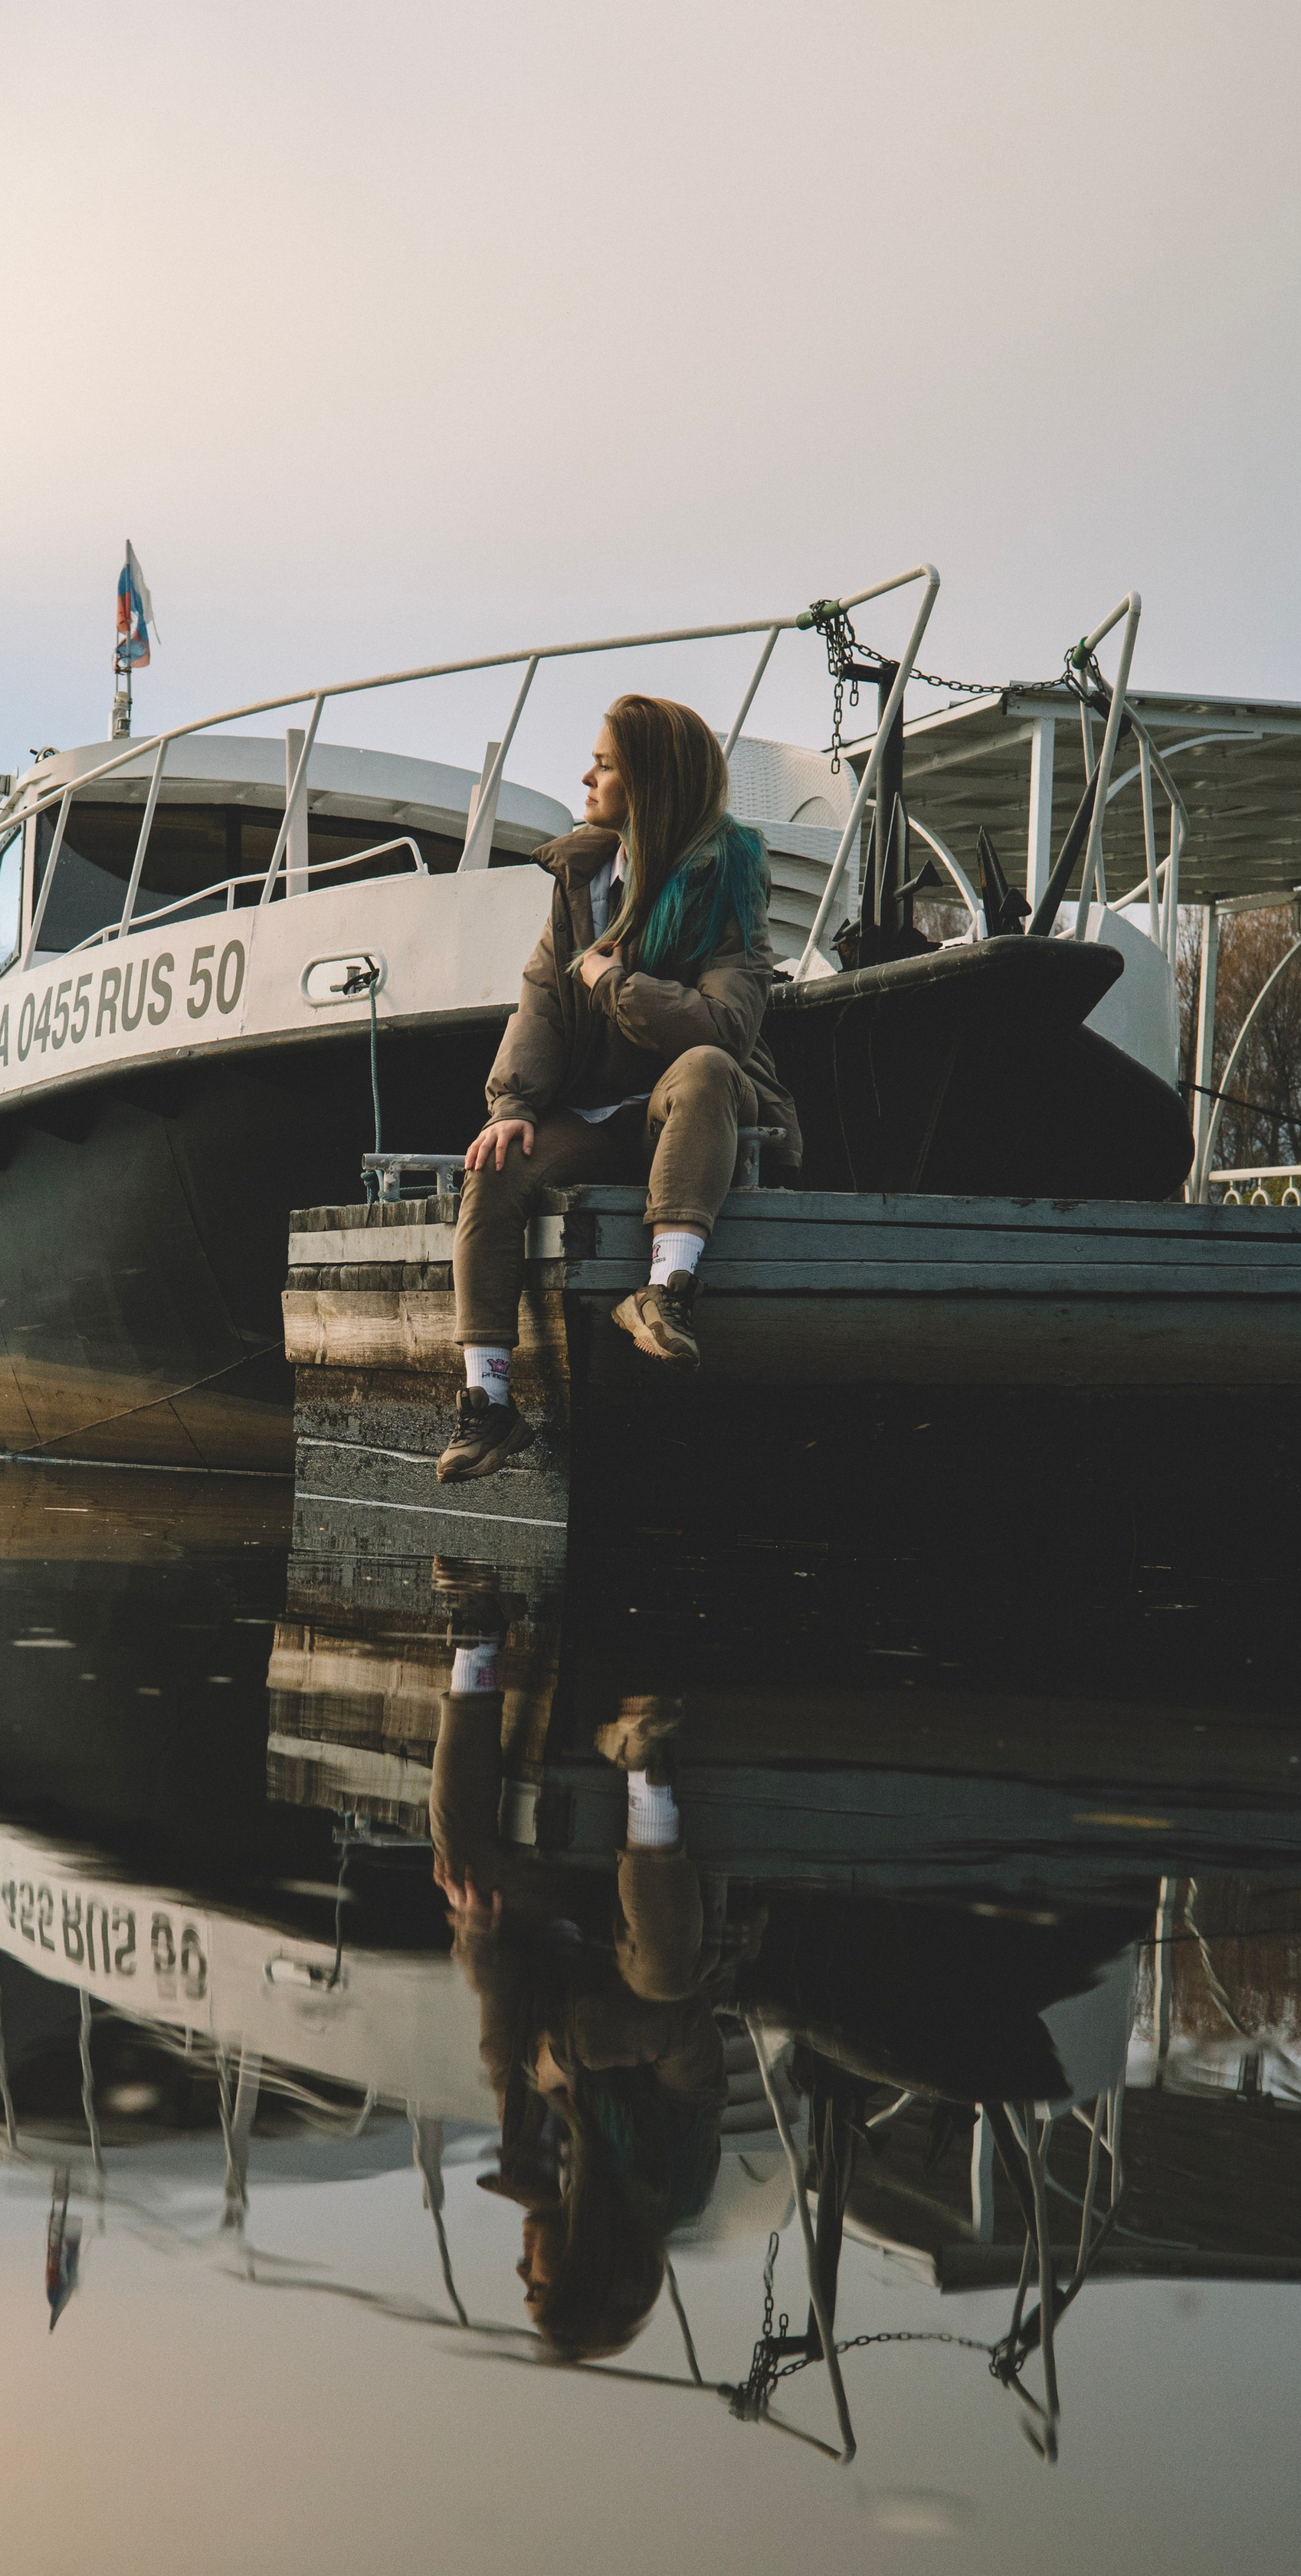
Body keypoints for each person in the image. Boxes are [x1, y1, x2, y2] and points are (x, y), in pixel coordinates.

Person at [437, 696, 801, 1483]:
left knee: (706, 1070)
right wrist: (513, 1106)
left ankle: (666, 1291)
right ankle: (487, 1404)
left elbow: (721, 1027)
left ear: (651, 780)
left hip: (686, 1110)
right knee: (493, 1165)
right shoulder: (582, 875)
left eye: (604, 763)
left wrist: (615, 982)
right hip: (598, 1114)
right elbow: (540, 997)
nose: (587, 776)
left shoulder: (729, 879)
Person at [427, 1571, 729, 2358]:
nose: (521, 2265)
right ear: (587, 2270)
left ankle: (475, 1642)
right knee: (663, 1976)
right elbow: (680, 2034)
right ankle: (644, 1772)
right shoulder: (671, 2183)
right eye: (536, 2283)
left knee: (460, 1867)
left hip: (553, 1924)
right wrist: (573, 2049)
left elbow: (500, 2038)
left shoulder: (530, 2157)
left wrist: (477, 1937)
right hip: (655, 1923)